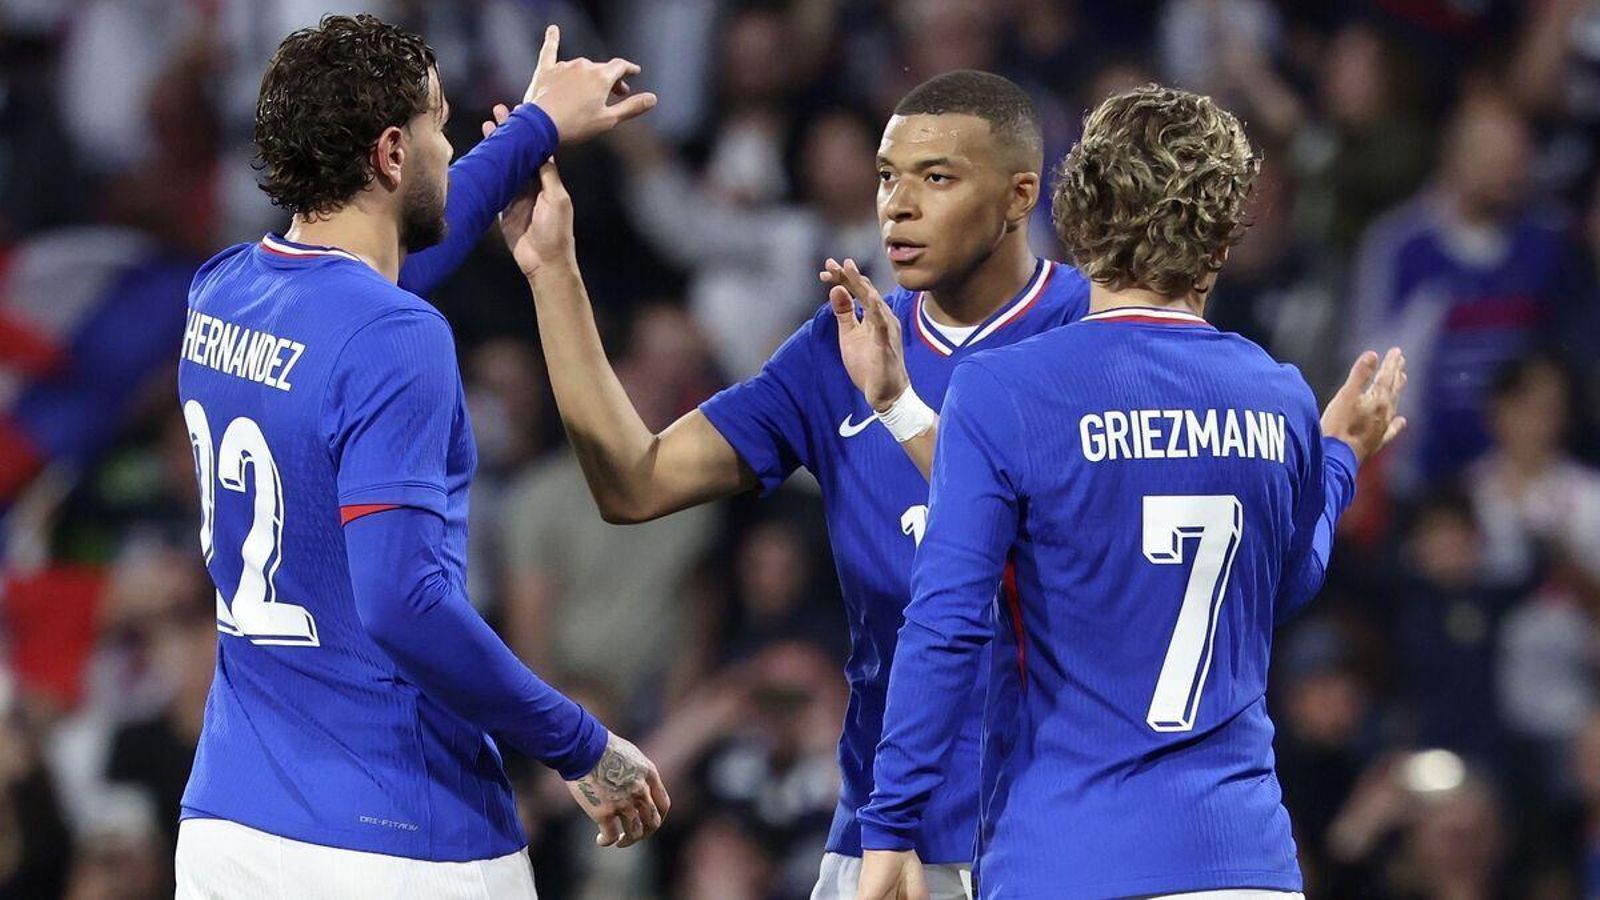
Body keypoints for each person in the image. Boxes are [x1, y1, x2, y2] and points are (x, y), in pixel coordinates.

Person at [490, 70, 1091, 899]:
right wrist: (552, 269)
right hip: (884, 836)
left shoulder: (1092, 337)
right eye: (888, 176)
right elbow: (636, 480)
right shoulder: (839, 347)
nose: (898, 205)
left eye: (937, 177)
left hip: (1059, 836)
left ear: (1020, 193)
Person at [857, 85, 1408, 898]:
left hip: (1069, 858)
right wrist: (1339, 456)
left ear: (1073, 223)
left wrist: (891, 825)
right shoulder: (1278, 394)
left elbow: (945, 622)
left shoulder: (1005, 391)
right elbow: (1284, 585)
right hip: (1242, 863)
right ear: (1220, 239)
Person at [173, 15, 667, 898]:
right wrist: (579, 744)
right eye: (442, 125)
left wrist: (536, 130)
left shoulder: (222, 291)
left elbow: (378, 277)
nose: (450, 146)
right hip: (397, 837)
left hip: (229, 830)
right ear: (394, 153)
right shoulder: (397, 337)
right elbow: (402, 603)